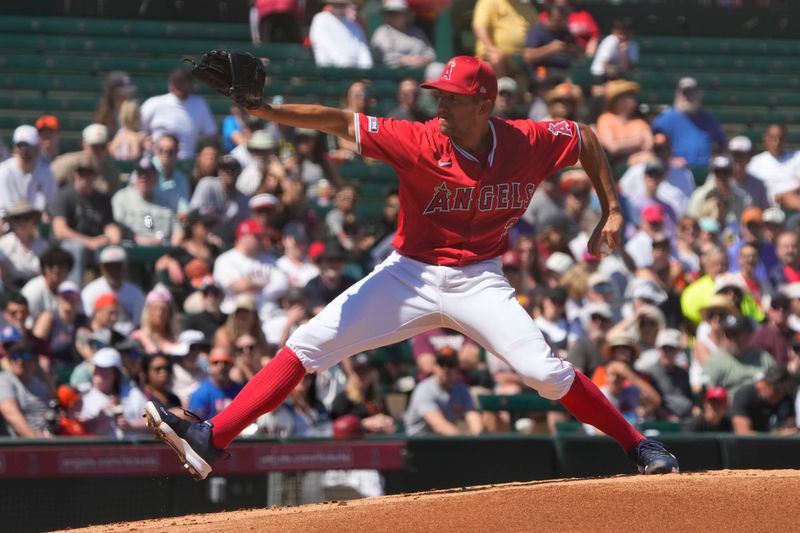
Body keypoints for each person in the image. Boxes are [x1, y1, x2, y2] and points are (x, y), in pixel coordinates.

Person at [144, 54, 679, 480]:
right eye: (439, 96)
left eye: (453, 99)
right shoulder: (419, 139)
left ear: (485, 104)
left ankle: (638, 444)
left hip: (480, 279)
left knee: (543, 372)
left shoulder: (526, 140)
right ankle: (212, 439)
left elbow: (584, 137)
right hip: (409, 275)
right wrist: (264, 111)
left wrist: (611, 208)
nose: (441, 106)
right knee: (307, 343)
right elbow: (338, 121)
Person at [50, 155, 123, 285]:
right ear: (75, 174)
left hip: (95, 246)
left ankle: (114, 291)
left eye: (89, 173)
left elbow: (109, 225)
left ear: (95, 175)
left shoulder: (103, 198)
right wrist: (89, 242)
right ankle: (74, 293)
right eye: (81, 173)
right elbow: (60, 231)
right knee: (77, 249)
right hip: (66, 248)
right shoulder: (65, 196)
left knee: (116, 252)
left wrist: (112, 238)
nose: (84, 177)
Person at [141, 69, 217, 160]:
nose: (179, 85)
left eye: (183, 82)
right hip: (157, 160)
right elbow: (137, 130)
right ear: (170, 84)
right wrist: (144, 140)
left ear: (191, 84)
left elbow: (211, 134)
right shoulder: (154, 103)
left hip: (186, 161)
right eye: (176, 82)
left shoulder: (199, 104)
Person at [652, 78, 726, 170]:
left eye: (691, 93)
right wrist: (669, 160)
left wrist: (716, 159)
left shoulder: (709, 119)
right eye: (684, 93)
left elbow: (723, 143)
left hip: (706, 171)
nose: (687, 97)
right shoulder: (665, 119)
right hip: (676, 173)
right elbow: (653, 146)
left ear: (698, 95)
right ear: (678, 95)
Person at [403, 350, 483, 436]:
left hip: (444, 443)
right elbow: (440, 426)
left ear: (457, 368)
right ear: (434, 367)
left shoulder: (462, 389)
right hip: (417, 443)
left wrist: (477, 439)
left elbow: (473, 418)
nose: (446, 369)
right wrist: (466, 444)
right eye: (442, 364)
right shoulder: (424, 389)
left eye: (450, 364)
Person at [111, 157, 182, 246]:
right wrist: (138, 239)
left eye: (148, 174)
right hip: (132, 250)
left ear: (156, 178)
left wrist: (173, 249)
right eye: (140, 174)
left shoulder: (165, 202)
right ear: (135, 178)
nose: (143, 177)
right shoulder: (122, 198)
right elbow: (117, 226)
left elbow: (177, 230)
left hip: (162, 251)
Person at [703, 315, 775, 397]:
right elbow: (708, 394)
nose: (734, 339)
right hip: (732, 407)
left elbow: (777, 384)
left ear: (747, 335)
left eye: (737, 334)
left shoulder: (763, 357)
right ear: (723, 336)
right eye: (729, 334)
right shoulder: (714, 362)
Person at [81, 246, 145, 335]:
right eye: (109, 267)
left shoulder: (136, 293)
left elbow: (139, 323)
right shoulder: (90, 292)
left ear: (125, 267)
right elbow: (88, 322)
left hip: (129, 338)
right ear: (102, 268)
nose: (114, 271)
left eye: (117, 266)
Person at [0, 340, 54, 438]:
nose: (19, 361)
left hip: (48, 438)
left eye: (25, 356)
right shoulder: (4, 380)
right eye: (15, 356)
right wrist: (35, 441)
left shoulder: (41, 385)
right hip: (21, 446)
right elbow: (11, 415)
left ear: (35, 360)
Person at [51, 123, 121, 196]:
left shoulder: (111, 172)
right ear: (84, 145)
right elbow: (48, 184)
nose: (99, 151)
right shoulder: (66, 163)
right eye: (95, 147)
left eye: (102, 147)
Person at [472, 0, 538, 78]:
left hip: (523, 59)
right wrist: (491, 48)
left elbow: (537, 31)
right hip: (492, 58)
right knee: (496, 58)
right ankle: (499, 88)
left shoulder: (527, 7)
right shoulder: (489, 2)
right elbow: (480, 27)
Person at [595, 80, 653, 168]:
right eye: (629, 97)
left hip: (637, 162)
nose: (633, 100)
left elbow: (648, 145)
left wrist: (625, 146)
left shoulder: (640, 122)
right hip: (614, 166)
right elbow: (613, 147)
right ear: (619, 100)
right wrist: (637, 141)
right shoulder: (606, 119)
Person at [0, 125, 57, 214]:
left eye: (28, 146)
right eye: (20, 145)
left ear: (37, 148)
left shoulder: (47, 174)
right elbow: (3, 211)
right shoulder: (4, 171)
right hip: (9, 223)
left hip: (37, 224)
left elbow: (50, 208)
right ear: (14, 148)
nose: (24, 150)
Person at [523, 4, 581, 84]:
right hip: (543, 70)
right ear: (550, 17)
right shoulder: (537, 31)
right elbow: (528, 55)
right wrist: (551, 48)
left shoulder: (566, 32)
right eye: (558, 19)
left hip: (564, 71)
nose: (561, 22)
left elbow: (579, 54)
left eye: (564, 19)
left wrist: (569, 49)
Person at [746, 124, 800, 210]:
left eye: (780, 139)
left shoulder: (797, 157)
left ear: (786, 140)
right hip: (764, 206)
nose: (777, 142)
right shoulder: (755, 162)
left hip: (792, 205)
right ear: (765, 139)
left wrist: (786, 195)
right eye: (772, 138)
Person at [731, 365, 796, 434]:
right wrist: (776, 435)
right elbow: (743, 434)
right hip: (747, 444)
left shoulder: (786, 398)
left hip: (776, 442)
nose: (780, 396)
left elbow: (791, 429)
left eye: (784, 391)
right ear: (764, 383)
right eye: (776, 390)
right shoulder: (745, 395)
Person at [371, 0, 435, 69]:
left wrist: (424, 59)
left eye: (398, 12)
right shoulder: (382, 32)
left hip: (419, 70)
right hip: (392, 74)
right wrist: (406, 60)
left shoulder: (416, 31)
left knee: (437, 68)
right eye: (391, 13)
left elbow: (430, 52)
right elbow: (385, 57)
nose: (394, 15)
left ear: (406, 14)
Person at [309, 0, 373, 69]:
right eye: (336, 4)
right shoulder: (321, 19)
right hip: (329, 74)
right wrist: (347, 67)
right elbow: (330, 49)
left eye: (342, 4)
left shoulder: (354, 26)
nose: (338, 7)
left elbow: (363, 52)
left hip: (355, 75)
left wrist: (365, 74)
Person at [0, 201, 49, 290]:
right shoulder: (4, 244)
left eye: (26, 218)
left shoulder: (43, 245)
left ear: (33, 220)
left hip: (37, 290)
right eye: (17, 218)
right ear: (12, 222)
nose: (21, 222)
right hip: (11, 292)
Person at [188, 349, 244, 420]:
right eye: (216, 362)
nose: (221, 366)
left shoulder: (240, 390)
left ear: (231, 365)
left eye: (225, 362)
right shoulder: (200, 394)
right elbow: (195, 424)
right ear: (209, 365)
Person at [21, 246, 73, 319]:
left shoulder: (67, 289)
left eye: (61, 265)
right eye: (51, 265)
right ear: (44, 267)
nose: (56, 269)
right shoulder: (34, 290)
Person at [728, 136, 769, 210]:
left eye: (742, 155)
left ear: (749, 158)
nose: (738, 159)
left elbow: (765, 211)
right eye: (734, 155)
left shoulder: (758, 185)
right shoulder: (719, 178)